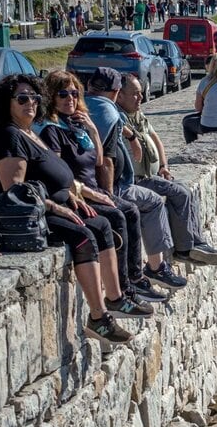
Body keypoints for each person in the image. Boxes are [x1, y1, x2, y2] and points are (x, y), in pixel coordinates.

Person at [0, 75, 137, 344]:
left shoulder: (30, 133)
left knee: (101, 224)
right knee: (83, 235)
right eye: (22, 98)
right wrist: (57, 206)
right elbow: (14, 192)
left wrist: (77, 193)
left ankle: (116, 298)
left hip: (49, 204)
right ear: (7, 103)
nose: (30, 103)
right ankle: (98, 318)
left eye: (35, 98)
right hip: (20, 218)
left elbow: (54, 176)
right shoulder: (8, 136)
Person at [39, 71, 165, 308]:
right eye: (63, 94)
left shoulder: (75, 124)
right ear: (51, 97)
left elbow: (97, 160)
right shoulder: (51, 129)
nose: (70, 99)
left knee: (130, 211)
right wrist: (87, 194)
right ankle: (123, 290)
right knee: (116, 216)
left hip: (91, 189)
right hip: (75, 196)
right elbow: (55, 173)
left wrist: (93, 130)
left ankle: (134, 278)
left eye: (74, 94)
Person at [85, 68, 187, 292]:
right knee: (150, 203)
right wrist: (109, 195)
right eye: (133, 93)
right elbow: (107, 160)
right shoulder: (107, 112)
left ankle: (147, 270)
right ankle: (151, 269)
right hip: (112, 187)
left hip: (98, 186)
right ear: (115, 92)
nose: (140, 98)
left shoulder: (90, 106)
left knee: (175, 193)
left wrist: (132, 137)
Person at [117, 73, 217, 266]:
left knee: (184, 190)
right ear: (119, 96)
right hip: (136, 179)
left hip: (150, 174)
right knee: (179, 192)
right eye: (135, 94)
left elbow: (156, 139)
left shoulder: (137, 115)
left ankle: (196, 243)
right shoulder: (119, 118)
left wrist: (164, 166)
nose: (140, 98)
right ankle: (185, 249)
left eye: (141, 93)